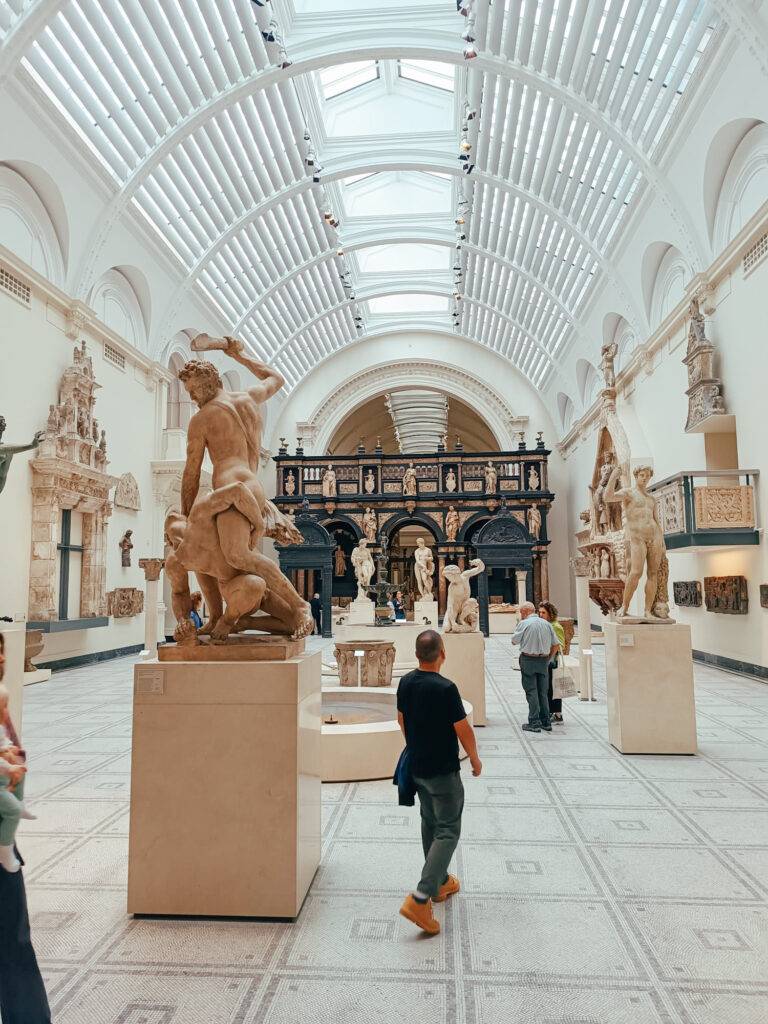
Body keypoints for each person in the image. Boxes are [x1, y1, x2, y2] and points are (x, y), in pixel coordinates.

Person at [397, 630, 482, 936]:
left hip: (417, 766)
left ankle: (440, 882)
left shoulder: (406, 682)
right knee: (447, 829)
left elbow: (401, 719)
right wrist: (475, 759)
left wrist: (414, 745)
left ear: (417, 654)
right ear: (442, 654)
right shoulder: (446, 688)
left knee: (429, 821)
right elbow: (463, 728)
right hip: (443, 770)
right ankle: (420, 897)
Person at [511, 601, 559, 733]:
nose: (520, 615)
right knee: (542, 692)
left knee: (531, 691)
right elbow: (556, 645)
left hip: (528, 660)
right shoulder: (547, 624)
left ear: (525, 612)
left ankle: (534, 722)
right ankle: (546, 721)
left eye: (521, 612)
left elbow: (514, 641)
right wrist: (548, 659)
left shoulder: (524, 623)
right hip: (543, 660)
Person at [539, 602, 566, 725]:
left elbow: (560, 645)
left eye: (543, 612)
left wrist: (549, 657)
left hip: (552, 661)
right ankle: (552, 712)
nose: (541, 615)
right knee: (548, 687)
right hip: (547, 660)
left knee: (553, 687)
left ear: (550, 613)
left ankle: (556, 713)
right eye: (540, 612)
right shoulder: (546, 625)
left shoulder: (555, 626)